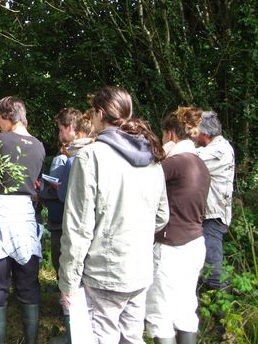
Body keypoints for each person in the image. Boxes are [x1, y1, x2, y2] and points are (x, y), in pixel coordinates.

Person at [57, 86, 169, 344]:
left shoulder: (90, 157)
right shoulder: (152, 156)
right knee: (131, 338)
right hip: (140, 268)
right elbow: (162, 216)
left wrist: (68, 283)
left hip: (104, 273)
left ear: (98, 114)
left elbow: (78, 228)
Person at [0, 96, 45, 344]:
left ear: (8, 116)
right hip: (27, 215)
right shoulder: (39, 146)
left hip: (0, 213)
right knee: (28, 283)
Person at [145, 108, 211, 344]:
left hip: (170, 246)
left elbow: (144, 188)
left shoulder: (173, 163)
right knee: (185, 311)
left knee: (159, 314)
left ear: (170, 135)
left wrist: (161, 156)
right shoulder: (200, 165)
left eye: (163, 135)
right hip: (195, 244)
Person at [39, 107, 81, 283]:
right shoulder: (92, 150)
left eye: (60, 129)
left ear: (70, 127)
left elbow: (59, 191)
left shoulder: (67, 156)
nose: (59, 133)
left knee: (62, 262)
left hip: (62, 219)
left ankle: (66, 306)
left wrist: (47, 190)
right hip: (76, 220)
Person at [196, 111, 235, 291]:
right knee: (204, 267)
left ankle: (225, 316)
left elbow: (192, 161)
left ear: (203, 133)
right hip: (208, 216)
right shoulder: (217, 147)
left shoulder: (220, 150)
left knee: (213, 271)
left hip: (213, 218)